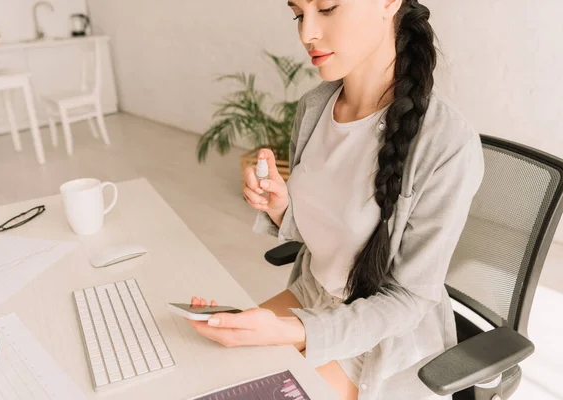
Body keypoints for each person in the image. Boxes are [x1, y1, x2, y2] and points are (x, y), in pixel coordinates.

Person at [187, 1, 485, 399]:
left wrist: (299, 331)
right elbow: (336, 235)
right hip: (313, 293)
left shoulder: (447, 144)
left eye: (326, 8)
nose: (306, 33)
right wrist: (281, 209)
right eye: (298, 13)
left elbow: (408, 299)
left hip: (382, 340)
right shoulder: (314, 107)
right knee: (206, 365)